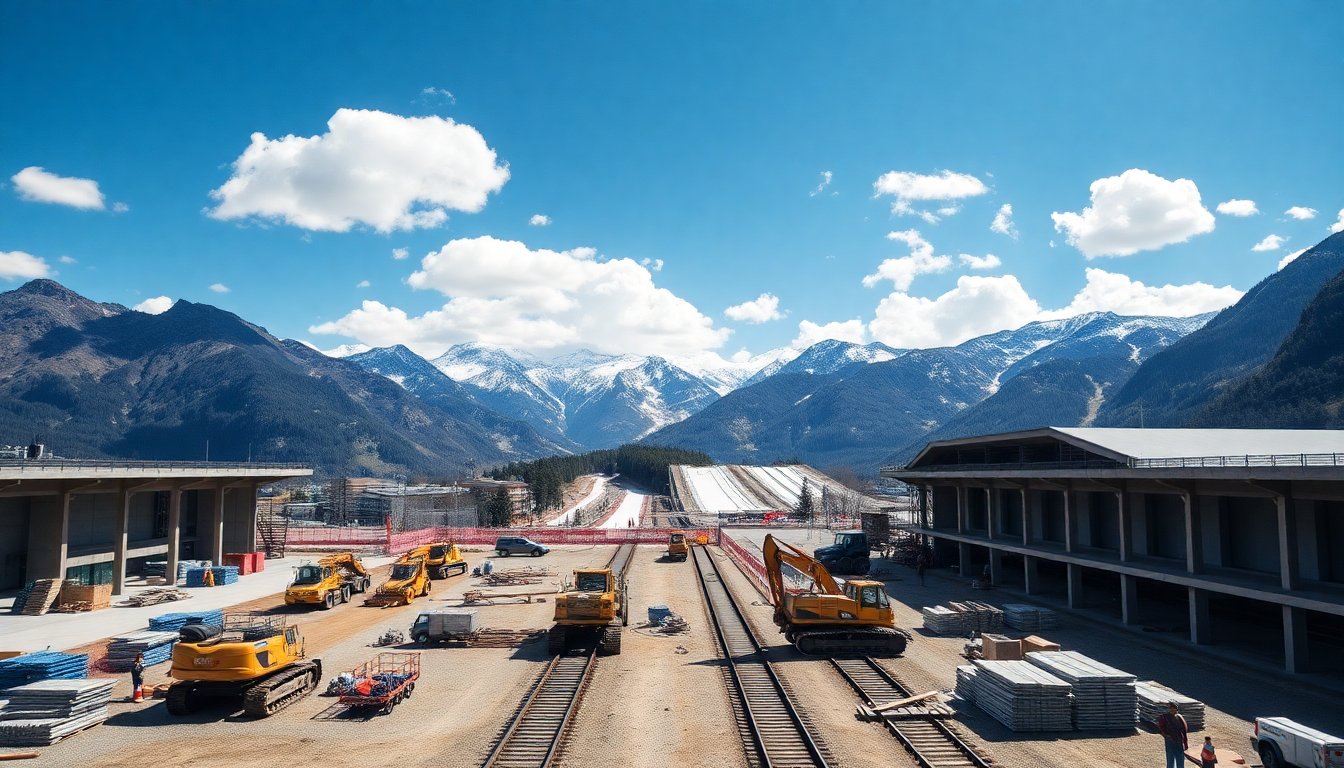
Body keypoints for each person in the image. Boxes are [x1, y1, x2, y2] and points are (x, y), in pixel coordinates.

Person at [1157, 701, 1189, 768]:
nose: (1171, 709)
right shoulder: (1164, 717)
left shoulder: (1180, 717)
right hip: (1170, 741)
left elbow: (1184, 730)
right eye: (1170, 708)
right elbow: (1160, 727)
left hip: (1179, 741)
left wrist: (1185, 743)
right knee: (1170, 760)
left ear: (1176, 709)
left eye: (1173, 708)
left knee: (1180, 759)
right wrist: (1166, 735)